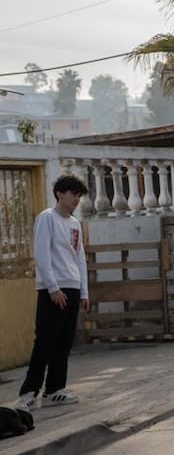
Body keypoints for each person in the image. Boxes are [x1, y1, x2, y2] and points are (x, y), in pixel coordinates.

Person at [14, 175, 90, 412]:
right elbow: (42, 255)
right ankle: (28, 393)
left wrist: (84, 291)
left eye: (79, 195)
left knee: (63, 343)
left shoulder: (75, 224)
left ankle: (54, 390)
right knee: (45, 342)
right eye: (73, 194)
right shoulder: (47, 218)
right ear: (60, 194)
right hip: (53, 290)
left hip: (73, 288)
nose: (76, 199)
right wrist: (53, 288)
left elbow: (80, 258)